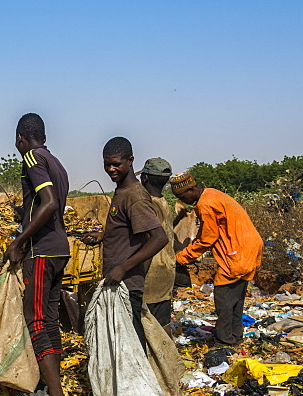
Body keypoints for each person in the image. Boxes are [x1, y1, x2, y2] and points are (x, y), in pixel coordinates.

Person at [3, 113, 74, 396]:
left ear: (20, 138)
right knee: (49, 318)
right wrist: (24, 211)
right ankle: (50, 390)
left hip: (42, 250)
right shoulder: (54, 160)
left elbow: (49, 204)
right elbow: (45, 203)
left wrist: (19, 241)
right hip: (59, 248)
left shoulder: (31, 156)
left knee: (35, 321)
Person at [171, 172, 263, 347]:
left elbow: (207, 239)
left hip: (237, 252)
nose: (184, 201)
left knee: (223, 298)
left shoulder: (205, 204)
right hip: (248, 247)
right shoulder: (211, 194)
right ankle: (235, 336)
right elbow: (209, 231)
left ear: (190, 189)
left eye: (183, 196)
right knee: (236, 298)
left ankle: (224, 340)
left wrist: (182, 257)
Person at [98, 138, 168, 347]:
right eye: (106, 164)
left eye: (116, 164)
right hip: (117, 281)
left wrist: (123, 267)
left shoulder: (135, 196)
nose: (111, 169)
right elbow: (129, 230)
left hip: (127, 284)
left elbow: (159, 238)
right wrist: (102, 237)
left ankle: (141, 381)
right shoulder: (122, 191)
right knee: (119, 344)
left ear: (130, 161)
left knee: (132, 346)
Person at [138, 158, 175, 328]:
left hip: (149, 274)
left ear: (144, 178)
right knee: (163, 323)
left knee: (147, 325)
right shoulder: (164, 202)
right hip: (166, 270)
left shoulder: (148, 205)